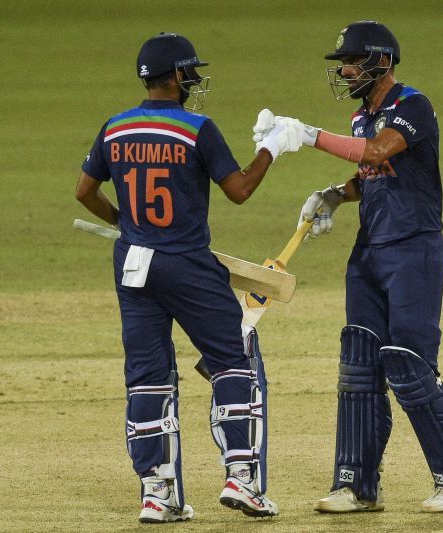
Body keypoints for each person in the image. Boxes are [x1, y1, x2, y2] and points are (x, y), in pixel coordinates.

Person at [253, 20, 443, 513]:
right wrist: (335, 196)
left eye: (352, 61)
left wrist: (311, 135)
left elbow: (382, 150)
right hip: (369, 253)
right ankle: (357, 484)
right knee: (359, 362)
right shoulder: (363, 120)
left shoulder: (412, 106)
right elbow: (372, 169)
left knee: (408, 361)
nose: (344, 70)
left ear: (382, 61)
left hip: (413, 249)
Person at [75, 32, 301, 523]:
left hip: (134, 265)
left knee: (148, 376)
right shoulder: (197, 128)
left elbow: (83, 190)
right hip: (188, 264)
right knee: (232, 360)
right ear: (176, 77)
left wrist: (125, 222)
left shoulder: (114, 128)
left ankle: (157, 492)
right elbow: (238, 190)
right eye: (189, 71)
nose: (193, 79)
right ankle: (241, 477)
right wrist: (271, 149)